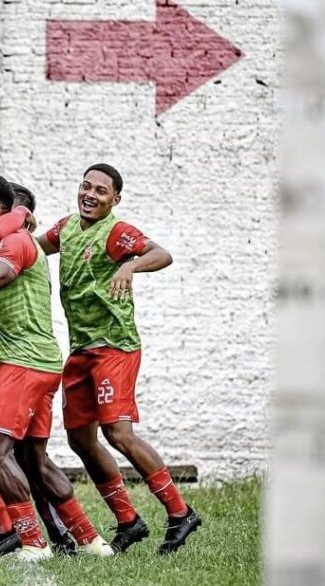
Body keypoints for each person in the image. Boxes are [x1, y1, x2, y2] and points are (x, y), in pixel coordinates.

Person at [0, 174, 113, 561]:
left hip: (23, 362)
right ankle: (90, 540)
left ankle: (33, 542)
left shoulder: (15, 242)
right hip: (41, 360)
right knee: (34, 458)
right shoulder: (7, 241)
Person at [38, 163, 201, 554]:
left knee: (118, 433)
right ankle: (128, 520)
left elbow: (162, 254)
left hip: (114, 346)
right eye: (86, 186)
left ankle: (180, 513)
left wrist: (130, 264)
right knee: (80, 438)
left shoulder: (117, 232)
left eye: (101, 190)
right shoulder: (67, 228)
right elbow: (32, 247)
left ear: (115, 199)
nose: (90, 195)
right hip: (80, 348)